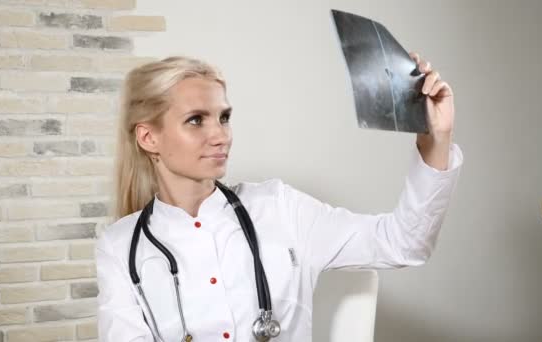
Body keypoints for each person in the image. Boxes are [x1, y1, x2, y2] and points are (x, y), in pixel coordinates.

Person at [95, 53, 464, 342]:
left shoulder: (279, 207)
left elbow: (405, 244)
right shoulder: (119, 247)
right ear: (149, 138)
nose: (220, 135)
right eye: (196, 120)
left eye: (224, 117)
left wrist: (437, 138)